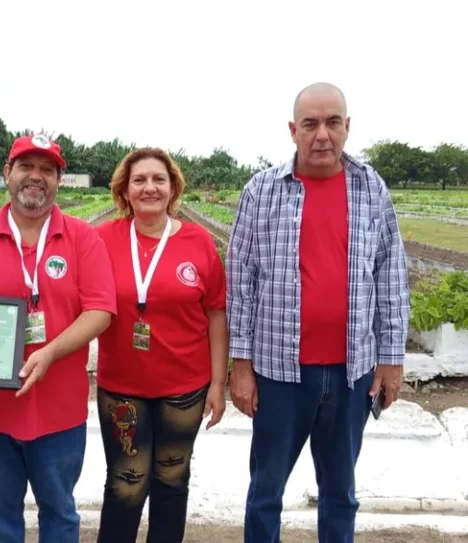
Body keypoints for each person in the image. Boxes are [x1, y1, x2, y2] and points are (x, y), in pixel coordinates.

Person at [226, 82, 410, 543]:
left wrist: (391, 359)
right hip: (278, 375)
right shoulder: (262, 191)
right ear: (293, 130)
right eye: (310, 124)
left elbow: (390, 275)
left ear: (348, 127)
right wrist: (241, 366)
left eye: (332, 123)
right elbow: (240, 283)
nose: (322, 134)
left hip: (352, 374)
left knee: (340, 493)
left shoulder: (371, 187)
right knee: (266, 490)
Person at [0, 133, 117, 543]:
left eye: (47, 169)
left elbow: (100, 312)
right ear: (7, 173)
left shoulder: (81, 238)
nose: (35, 177)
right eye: (26, 166)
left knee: (59, 514)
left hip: (60, 408)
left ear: (59, 179)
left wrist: (51, 352)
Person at [93, 148, 228, 543]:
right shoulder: (101, 239)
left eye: (158, 180)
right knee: (126, 483)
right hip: (122, 387)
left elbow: (217, 313)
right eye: (140, 180)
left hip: (184, 388)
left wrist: (218, 384)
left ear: (172, 189)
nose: (149, 187)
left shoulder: (198, 242)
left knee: (172, 478)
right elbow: (51, 229)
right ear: (125, 190)